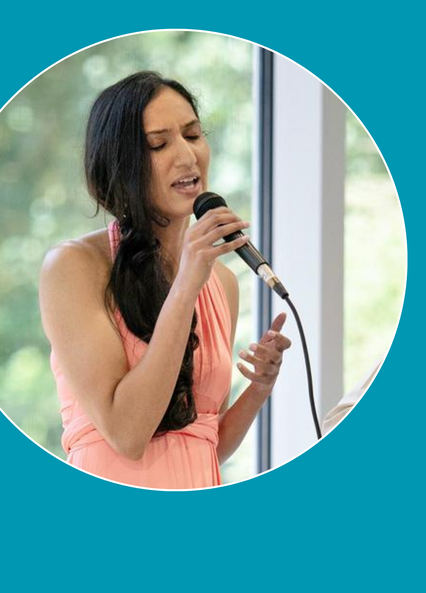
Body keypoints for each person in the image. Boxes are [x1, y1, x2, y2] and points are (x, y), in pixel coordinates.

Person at [39, 71, 292, 489]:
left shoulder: (221, 283)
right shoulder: (73, 266)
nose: (187, 156)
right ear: (120, 165)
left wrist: (259, 388)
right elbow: (127, 433)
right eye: (159, 144)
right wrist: (187, 283)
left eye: (192, 135)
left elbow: (205, 443)